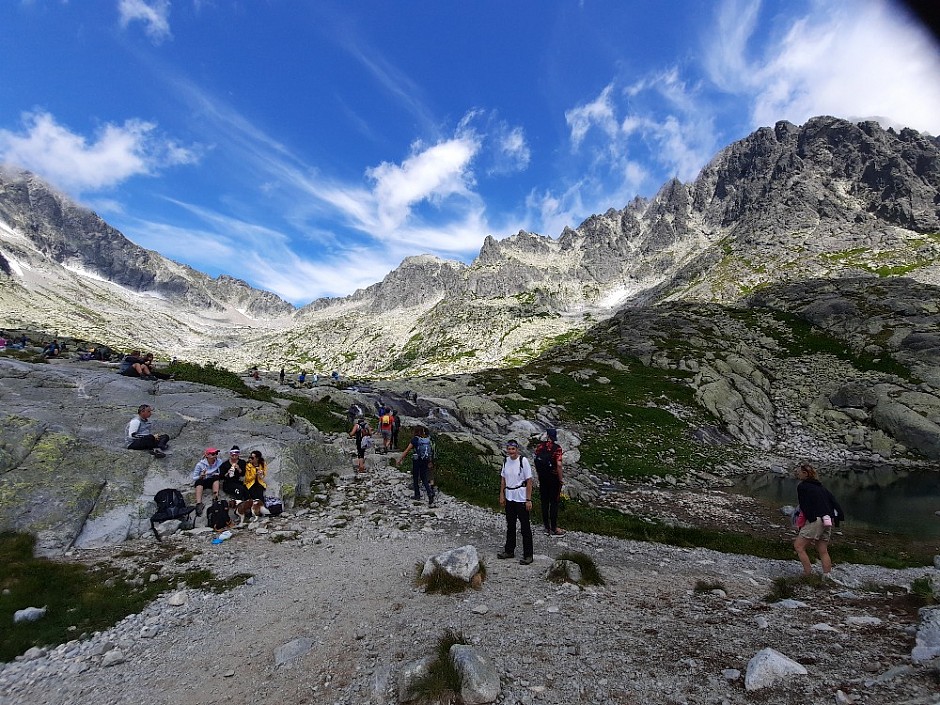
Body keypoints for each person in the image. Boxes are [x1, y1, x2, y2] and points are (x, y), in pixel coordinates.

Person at [793, 463, 845, 580]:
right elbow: (834, 503)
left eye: (799, 472)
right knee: (823, 550)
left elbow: (804, 505)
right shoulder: (822, 488)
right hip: (827, 519)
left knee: (799, 546)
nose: (798, 474)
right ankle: (827, 576)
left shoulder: (803, 486)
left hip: (815, 520)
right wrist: (837, 518)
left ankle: (807, 574)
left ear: (805, 474)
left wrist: (807, 520)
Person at [497, 440, 534, 565]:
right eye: (509, 449)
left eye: (513, 449)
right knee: (510, 525)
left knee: (525, 527)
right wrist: (501, 494)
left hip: (521, 497)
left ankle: (528, 554)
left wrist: (528, 499)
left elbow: (529, 481)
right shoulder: (506, 461)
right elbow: (503, 479)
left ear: (517, 449)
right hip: (509, 496)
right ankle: (509, 550)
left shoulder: (523, 461)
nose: (511, 451)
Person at [534, 428, 565, 537]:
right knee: (554, 502)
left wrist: (539, 475)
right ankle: (554, 527)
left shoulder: (540, 447)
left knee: (544, 502)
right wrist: (560, 479)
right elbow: (559, 465)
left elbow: (536, 461)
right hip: (553, 478)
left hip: (543, 477)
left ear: (547, 436)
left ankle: (546, 526)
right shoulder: (557, 449)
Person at [397, 426, 436, 506]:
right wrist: (430, 461)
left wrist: (400, 459)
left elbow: (407, 450)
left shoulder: (415, 439)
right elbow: (430, 452)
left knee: (415, 477)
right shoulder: (426, 440)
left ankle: (417, 495)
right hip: (425, 460)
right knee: (424, 477)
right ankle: (429, 493)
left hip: (417, 460)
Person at [191, 448, 223, 515]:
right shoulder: (200, 464)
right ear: (207, 455)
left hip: (212, 479)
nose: (215, 455)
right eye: (213, 454)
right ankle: (199, 503)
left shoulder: (219, 461)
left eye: (216, 453)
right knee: (199, 482)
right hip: (203, 480)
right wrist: (201, 476)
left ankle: (215, 498)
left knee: (216, 478)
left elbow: (220, 472)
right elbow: (194, 477)